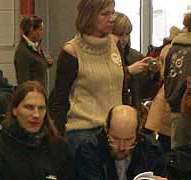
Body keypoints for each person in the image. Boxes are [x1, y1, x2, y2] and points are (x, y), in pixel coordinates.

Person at [0, 80, 102, 180]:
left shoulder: (57, 144)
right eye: (29, 107)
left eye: (41, 108)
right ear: (14, 110)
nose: (36, 115)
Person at [49, 0, 152, 155]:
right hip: (82, 132)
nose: (112, 18)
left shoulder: (115, 45)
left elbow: (122, 90)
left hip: (115, 134)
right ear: (89, 16)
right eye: (105, 14)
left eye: (113, 12)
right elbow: (59, 101)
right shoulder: (71, 52)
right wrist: (58, 141)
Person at [112, 12, 160, 110]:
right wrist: (128, 71)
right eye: (120, 35)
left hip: (133, 110)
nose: (124, 39)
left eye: (127, 34)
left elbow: (146, 91)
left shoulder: (134, 56)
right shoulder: (102, 56)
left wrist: (152, 74)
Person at [145, 26, 181, 152]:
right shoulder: (176, 50)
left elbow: (162, 74)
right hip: (176, 106)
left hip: (165, 103)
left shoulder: (168, 49)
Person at [165, 13, 191, 149]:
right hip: (186, 106)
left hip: (176, 106)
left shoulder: (174, 47)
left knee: (179, 153)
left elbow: (166, 76)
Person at [14, 15, 53, 90]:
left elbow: (37, 65)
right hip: (33, 97)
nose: (42, 33)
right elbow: (23, 83)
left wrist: (47, 62)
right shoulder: (22, 52)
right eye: (40, 29)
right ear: (32, 30)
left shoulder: (35, 46)